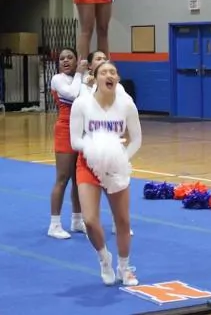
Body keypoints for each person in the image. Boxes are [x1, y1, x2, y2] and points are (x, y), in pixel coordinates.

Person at [70, 60, 142, 286]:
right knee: (90, 221)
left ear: (117, 79)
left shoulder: (127, 105)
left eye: (113, 72)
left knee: (123, 221)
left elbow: (137, 139)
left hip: (116, 165)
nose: (109, 75)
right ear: (95, 78)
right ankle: (104, 258)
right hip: (88, 163)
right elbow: (75, 140)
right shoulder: (82, 103)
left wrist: (121, 158)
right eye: (103, 72)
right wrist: (95, 150)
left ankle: (124, 267)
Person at [48, 48, 88, 239]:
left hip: (82, 130)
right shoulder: (57, 79)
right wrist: (80, 73)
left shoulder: (83, 77)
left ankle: (77, 220)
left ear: (76, 60)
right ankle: (54, 224)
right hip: (65, 129)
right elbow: (72, 95)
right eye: (62, 58)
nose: (65, 61)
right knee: (63, 177)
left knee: (79, 179)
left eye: (69, 57)